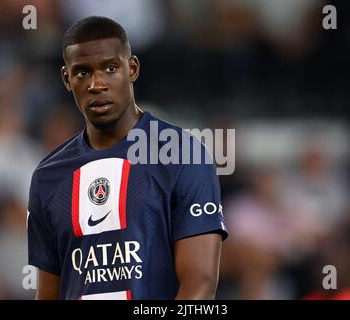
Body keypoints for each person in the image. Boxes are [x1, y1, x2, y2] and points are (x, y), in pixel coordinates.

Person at [27, 16, 227, 300]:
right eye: (82, 72)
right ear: (66, 79)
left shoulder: (182, 155)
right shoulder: (48, 176)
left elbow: (200, 286)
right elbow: (48, 293)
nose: (97, 84)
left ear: (131, 69)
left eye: (110, 68)